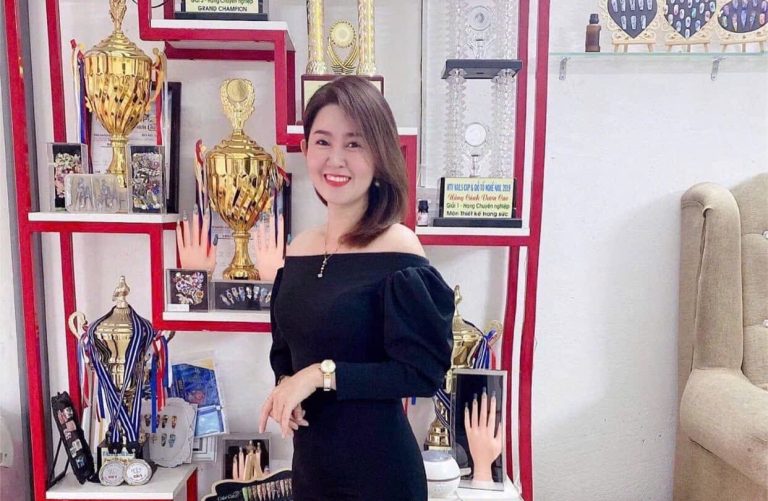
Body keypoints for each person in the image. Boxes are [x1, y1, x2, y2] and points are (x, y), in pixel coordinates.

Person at [258, 76, 454, 500]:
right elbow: (286, 350)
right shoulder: (300, 249)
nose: (336, 159)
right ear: (305, 149)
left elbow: (421, 373)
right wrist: (287, 386)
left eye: (354, 144)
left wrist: (319, 375)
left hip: (380, 477)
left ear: (379, 154)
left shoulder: (399, 248)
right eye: (323, 141)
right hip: (312, 473)